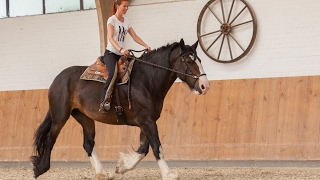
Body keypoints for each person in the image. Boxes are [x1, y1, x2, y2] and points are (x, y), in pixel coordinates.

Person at [99, 0, 151, 113]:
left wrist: (145, 45)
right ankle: (104, 100)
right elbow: (110, 38)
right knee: (112, 74)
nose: (126, 8)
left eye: (127, 6)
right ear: (117, 6)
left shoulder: (126, 21)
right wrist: (121, 49)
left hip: (121, 54)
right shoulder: (111, 20)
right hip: (111, 53)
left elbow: (134, 36)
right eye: (124, 6)